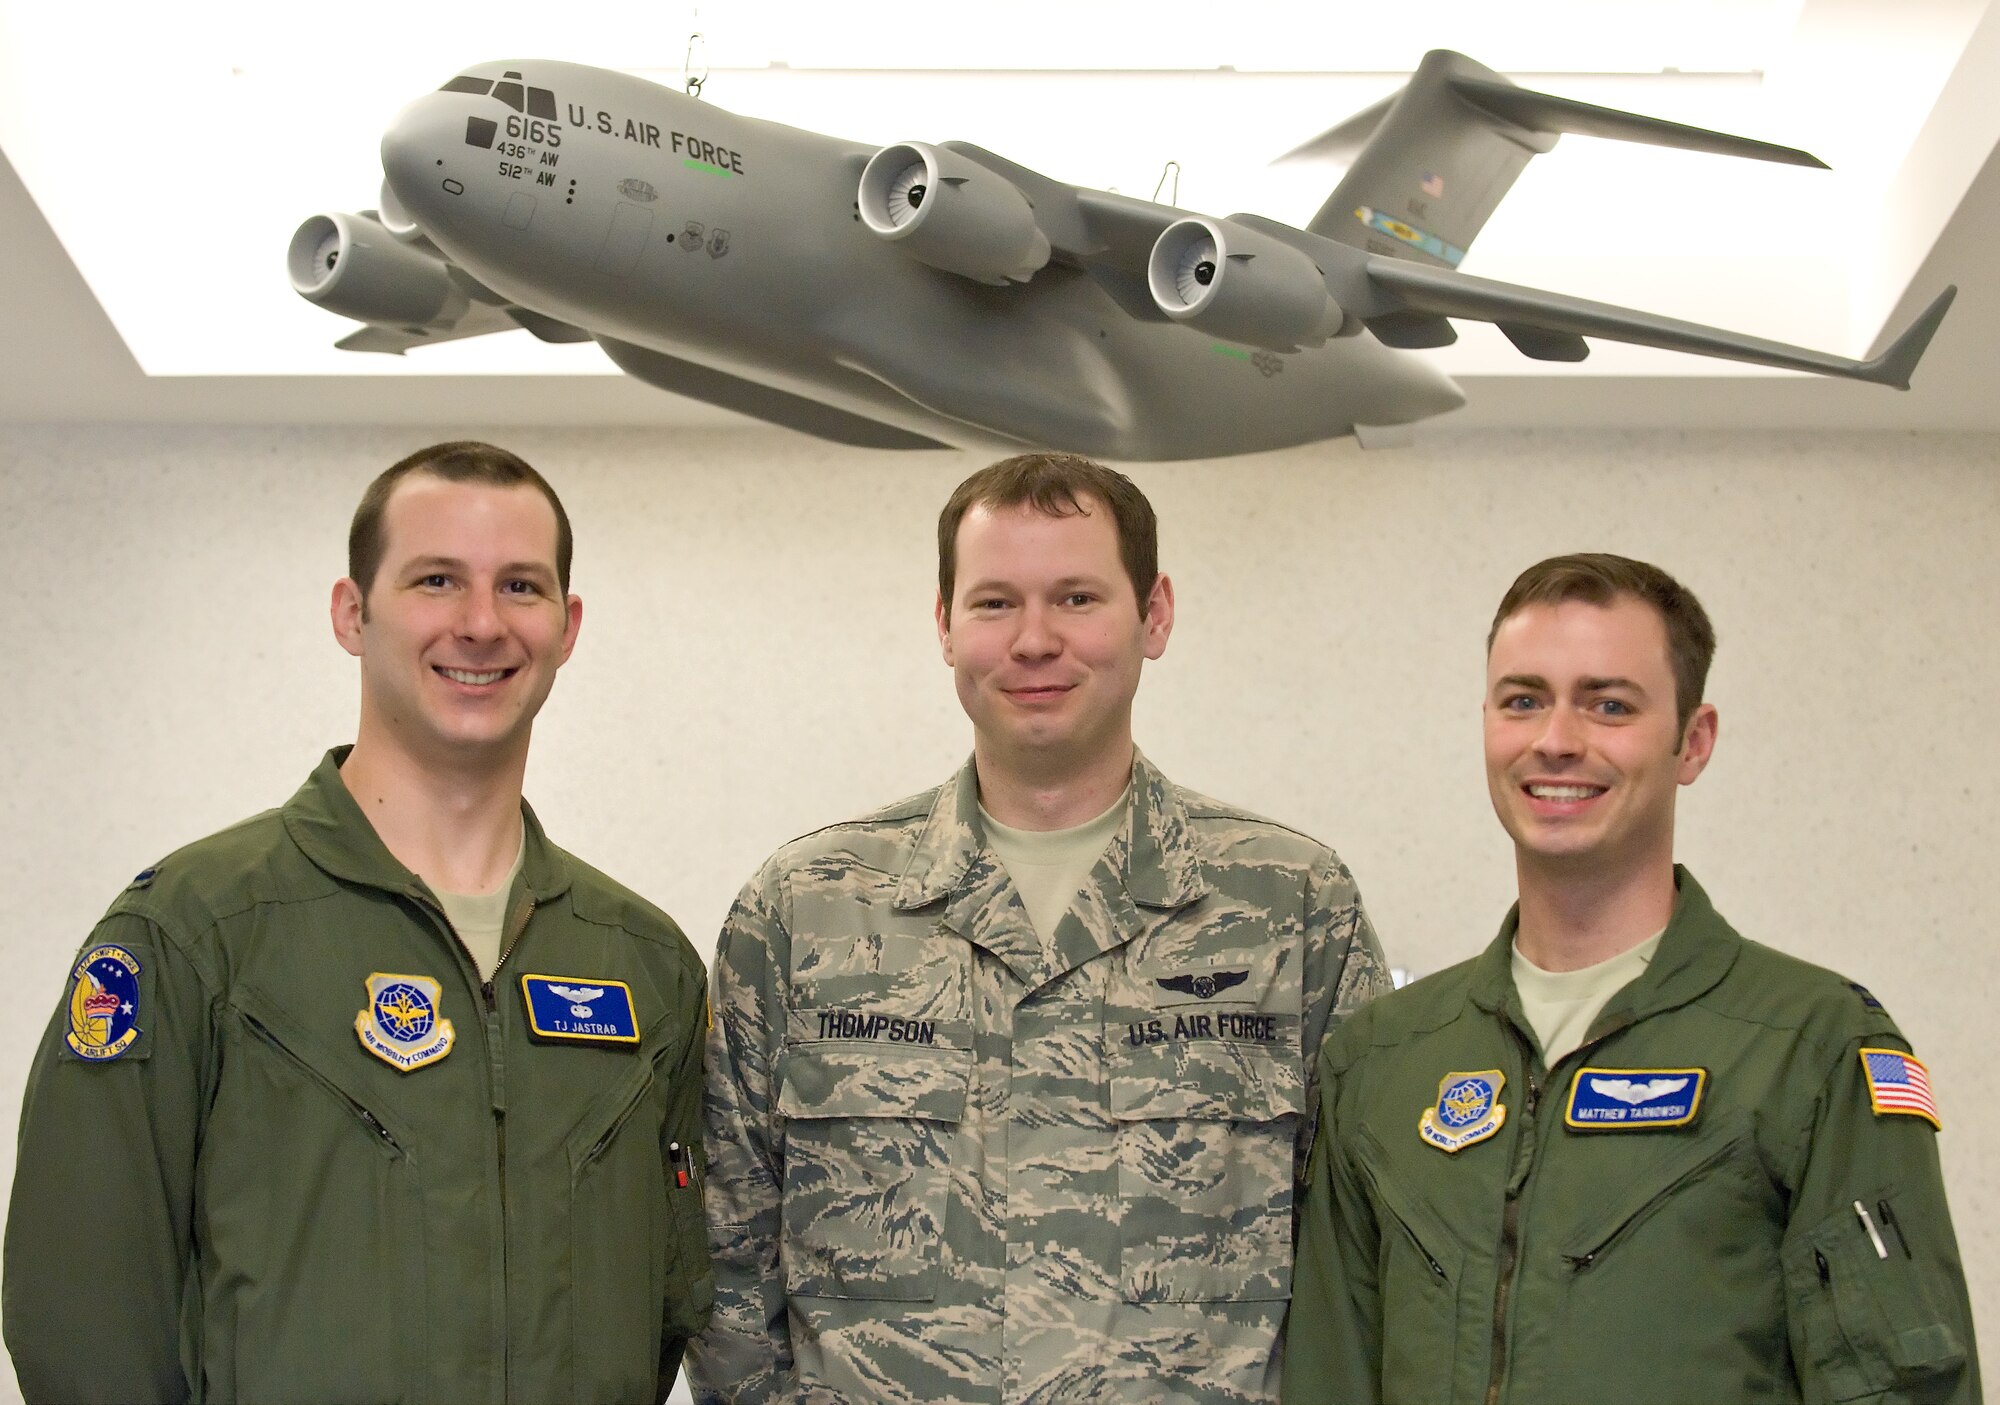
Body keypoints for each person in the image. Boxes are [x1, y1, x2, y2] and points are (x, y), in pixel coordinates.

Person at [3, 442, 712, 1404]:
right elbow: (83, 1320)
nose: (480, 623)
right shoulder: (195, 933)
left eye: (520, 586)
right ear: (352, 612)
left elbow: (667, 1306)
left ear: (567, 625)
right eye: (435, 580)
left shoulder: (644, 965)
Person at [688, 452, 1388, 1404]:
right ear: (943, 624)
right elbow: (728, 1266)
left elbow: (1360, 1258)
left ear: (1155, 615)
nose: (1034, 640)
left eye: (1076, 598)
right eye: (993, 603)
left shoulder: (1289, 905)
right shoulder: (805, 908)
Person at [1286, 552, 1978, 1404]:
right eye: (1523, 700)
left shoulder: (1814, 1049)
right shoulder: (1382, 1063)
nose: (1557, 739)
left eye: (1609, 704)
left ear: (1694, 741)